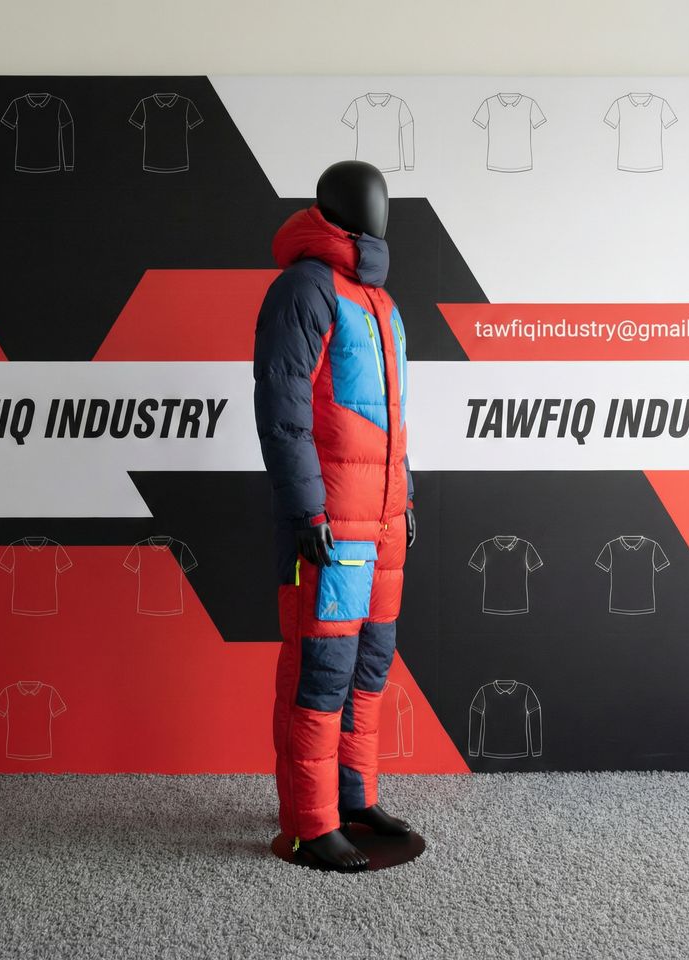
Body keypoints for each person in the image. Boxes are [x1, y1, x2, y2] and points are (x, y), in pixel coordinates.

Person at [253, 160, 416, 870]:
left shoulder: (381, 302)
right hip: (331, 522)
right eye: (369, 197)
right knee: (320, 670)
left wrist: (405, 498)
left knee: (369, 666)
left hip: (383, 521)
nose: (381, 207)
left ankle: (353, 798)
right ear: (337, 206)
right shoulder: (303, 290)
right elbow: (281, 411)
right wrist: (305, 508)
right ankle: (310, 822)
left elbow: (394, 419)